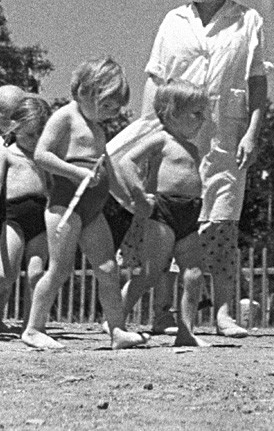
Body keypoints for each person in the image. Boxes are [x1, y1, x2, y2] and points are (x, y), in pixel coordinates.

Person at [140, 0, 268, 338]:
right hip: (175, 135)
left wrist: (252, 131)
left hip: (226, 134)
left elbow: (258, 83)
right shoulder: (173, 21)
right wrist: (147, 129)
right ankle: (162, 312)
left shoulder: (247, 20)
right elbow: (155, 77)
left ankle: (225, 314)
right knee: (169, 219)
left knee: (223, 223)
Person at [21, 57, 147, 351]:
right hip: (65, 204)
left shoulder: (98, 129)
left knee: (107, 268)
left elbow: (109, 168)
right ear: (85, 91)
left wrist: (128, 198)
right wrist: (76, 172)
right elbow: (42, 155)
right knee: (60, 269)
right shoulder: (65, 117)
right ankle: (33, 328)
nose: (112, 113)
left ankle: (117, 329)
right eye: (107, 105)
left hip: (93, 209)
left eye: (116, 108)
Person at [116, 79, 210, 347]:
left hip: (190, 211)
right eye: (196, 113)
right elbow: (126, 162)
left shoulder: (193, 148)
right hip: (163, 210)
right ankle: (116, 318)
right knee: (150, 273)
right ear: (172, 112)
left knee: (193, 272)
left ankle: (186, 331)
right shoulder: (160, 139)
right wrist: (137, 194)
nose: (202, 120)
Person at [0, 95, 51, 334]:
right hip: (13, 216)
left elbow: (50, 185)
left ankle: (31, 324)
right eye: (30, 134)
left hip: (40, 216)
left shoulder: (44, 157)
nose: (35, 140)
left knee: (36, 274)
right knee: (7, 273)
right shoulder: (5, 154)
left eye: (40, 135)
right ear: (16, 127)